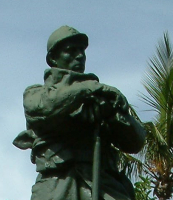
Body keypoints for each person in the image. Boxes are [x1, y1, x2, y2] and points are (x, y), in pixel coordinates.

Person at [13, 25, 146, 200]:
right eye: (71, 50)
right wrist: (88, 88)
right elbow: (44, 107)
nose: (80, 55)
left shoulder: (102, 98)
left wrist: (114, 113)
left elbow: (135, 142)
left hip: (102, 184)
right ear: (53, 58)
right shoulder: (36, 93)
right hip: (58, 183)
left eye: (82, 50)